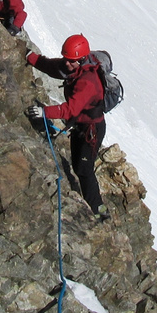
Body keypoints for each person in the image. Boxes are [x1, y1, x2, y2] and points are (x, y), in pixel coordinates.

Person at [25, 34, 108, 217]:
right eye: (67, 59)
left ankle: (98, 210)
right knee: (78, 165)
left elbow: (70, 109)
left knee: (83, 169)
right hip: (81, 127)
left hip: (91, 130)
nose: (67, 64)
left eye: (71, 61)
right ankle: (93, 205)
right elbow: (55, 68)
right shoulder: (75, 67)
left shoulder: (88, 81)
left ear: (82, 59)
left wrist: (45, 112)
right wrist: (32, 58)